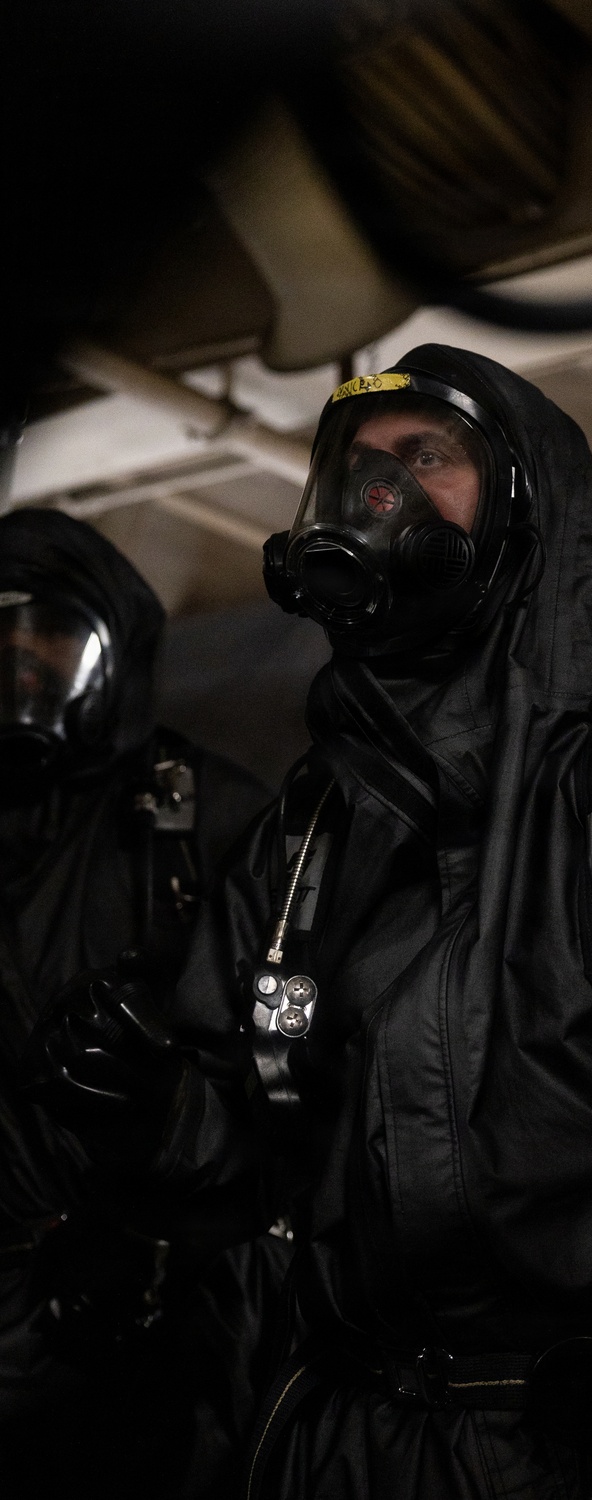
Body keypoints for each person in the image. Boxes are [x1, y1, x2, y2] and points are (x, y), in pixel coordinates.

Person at [30, 349, 592, 1499]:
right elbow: (245, 1156)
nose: (379, 491)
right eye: (356, 467)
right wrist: (148, 1108)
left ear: (521, 509)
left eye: (426, 458)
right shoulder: (300, 845)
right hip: (355, 1449)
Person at [0, 508, 286, 1499]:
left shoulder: (210, 824)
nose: (24, 667)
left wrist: (164, 1228)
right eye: (1, 637)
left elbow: (305, 1096)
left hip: (156, 1331)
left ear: (116, 656)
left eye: (52, 637)